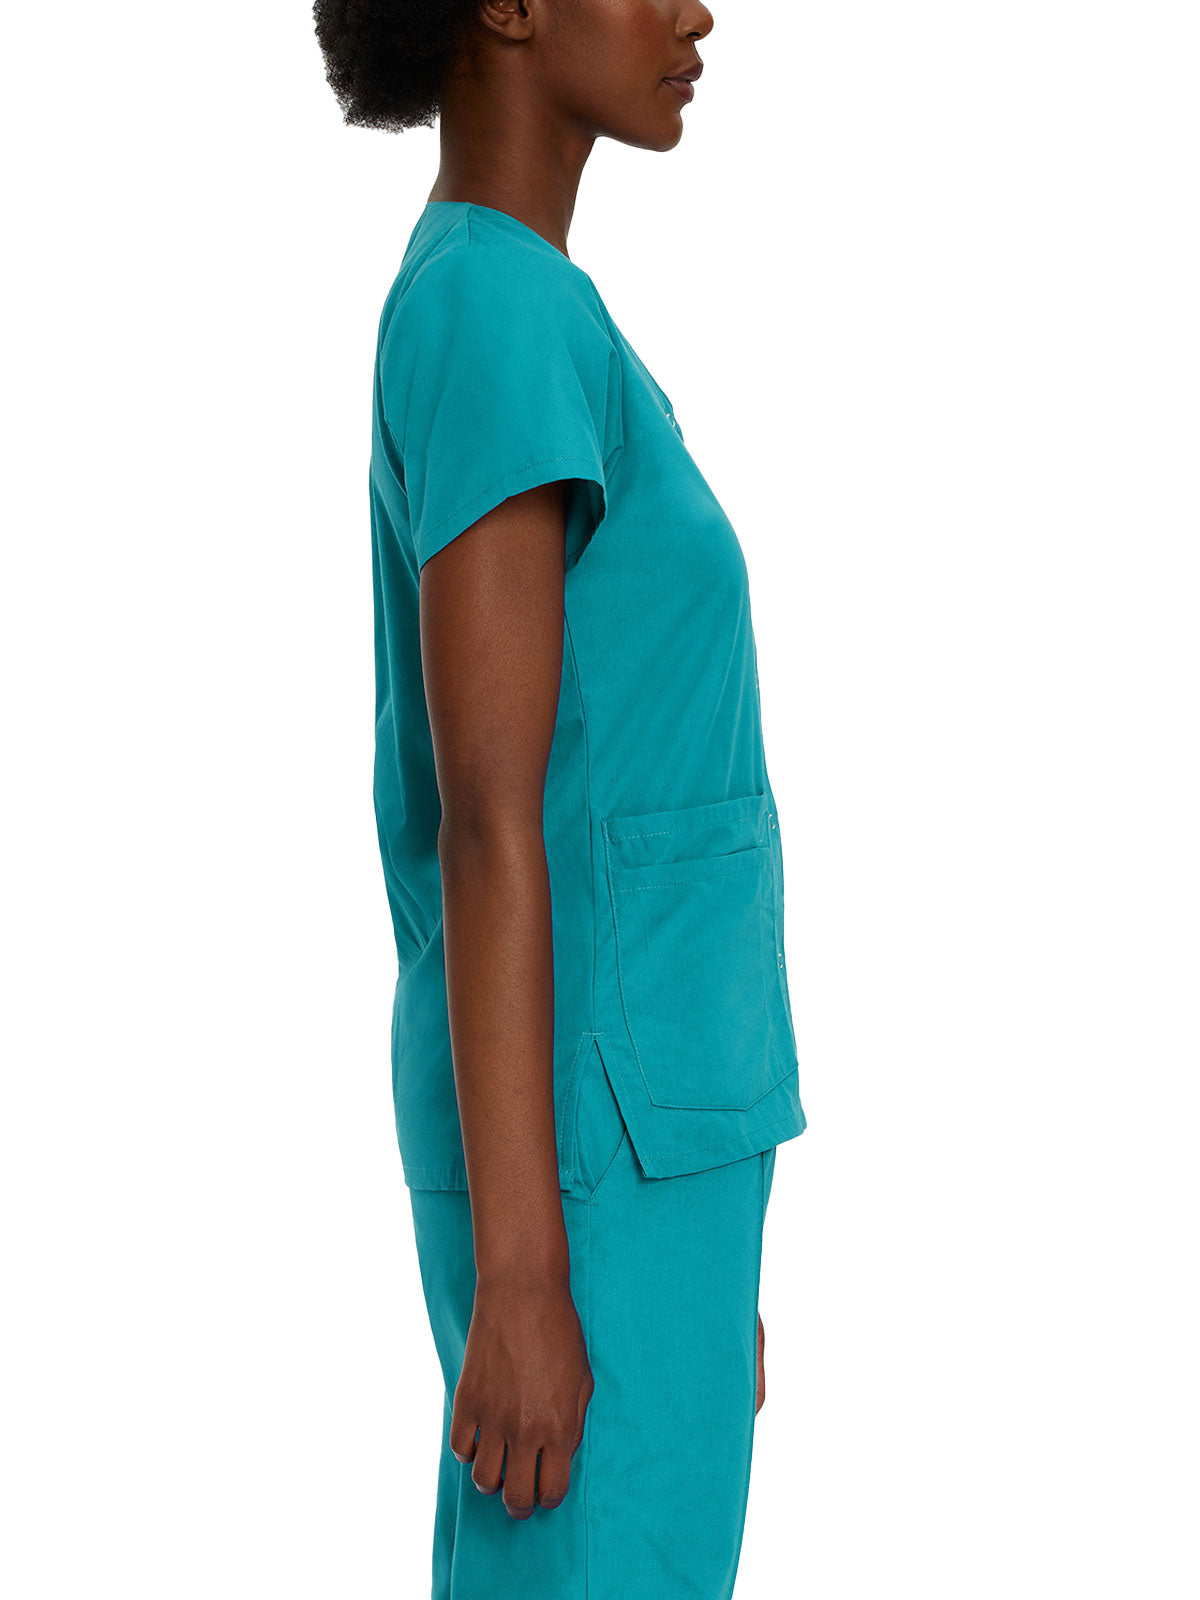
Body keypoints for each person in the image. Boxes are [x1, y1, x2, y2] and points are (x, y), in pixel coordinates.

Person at [314, 2, 808, 1594]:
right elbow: (485, 819)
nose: (696, 12)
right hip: (592, 1148)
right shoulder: (494, 312)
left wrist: (691, 1267)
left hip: (646, 1150)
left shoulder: (533, 306)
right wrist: (529, 1274)